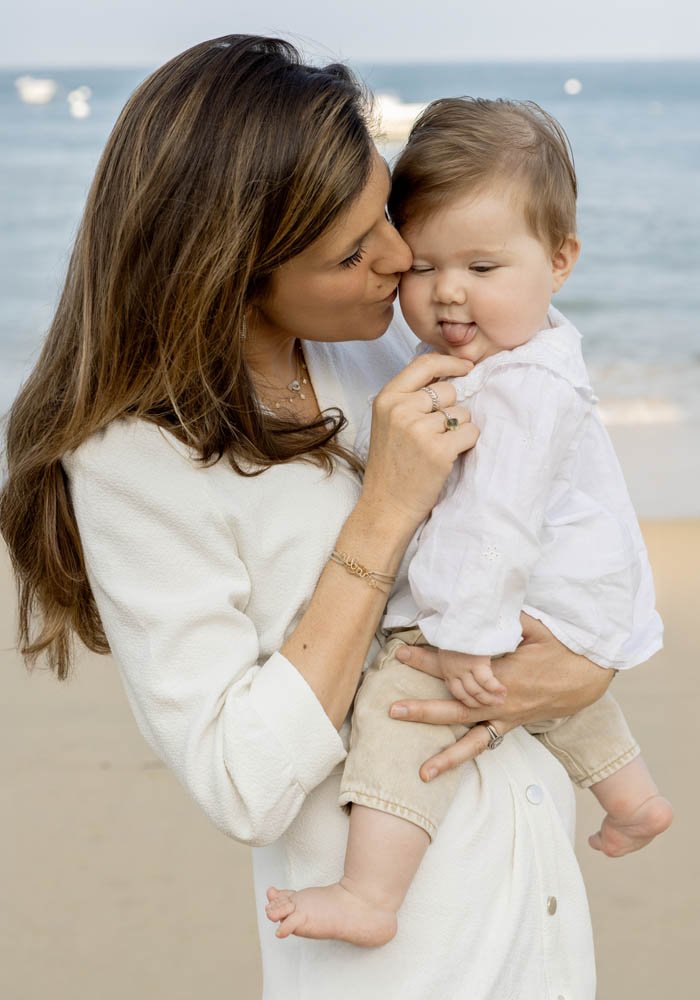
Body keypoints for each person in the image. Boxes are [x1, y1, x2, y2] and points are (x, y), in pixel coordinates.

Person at [0, 37, 608, 999]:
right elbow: (243, 782)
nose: (402, 260)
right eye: (354, 250)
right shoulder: (134, 459)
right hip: (409, 968)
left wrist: (580, 668)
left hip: (537, 920)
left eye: (385, 216)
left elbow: (561, 525)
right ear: (229, 269)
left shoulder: (374, 348)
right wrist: (385, 512)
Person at [266, 97, 673, 949]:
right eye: (424, 267)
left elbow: (495, 531)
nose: (448, 291)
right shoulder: (517, 349)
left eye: (483, 268)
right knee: (555, 692)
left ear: (561, 260)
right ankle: (632, 797)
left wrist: (463, 634)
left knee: (397, 702)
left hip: (523, 599)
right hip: (575, 603)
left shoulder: (519, 390)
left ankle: (372, 894)